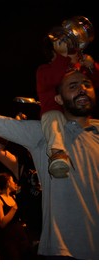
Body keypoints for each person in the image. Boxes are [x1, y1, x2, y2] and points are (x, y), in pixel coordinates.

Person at [0, 36, 99, 259]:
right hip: (63, 254)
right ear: (59, 99)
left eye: (87, 84)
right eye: (73, 85)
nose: (82, 88)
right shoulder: (43, 132)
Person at [36, 17, 99, 178]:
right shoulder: (45, 70)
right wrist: (62, 58)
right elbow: (56, 79)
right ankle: (58, 154)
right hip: (55, 114)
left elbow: (94, 84)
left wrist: (92, 67)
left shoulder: (78, 69)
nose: (74, 54)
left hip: (80, 119)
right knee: (52, 118)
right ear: (53, 54)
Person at [0, 114, 42, 252]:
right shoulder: (22, 165)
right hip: (34, 232)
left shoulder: (56, 158)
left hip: (58, 226)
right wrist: (13, 124)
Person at [0, 172, 33, 259]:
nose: (15, 183)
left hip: (21, 236)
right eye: (12, 181)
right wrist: (15, 206)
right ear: (8, 183)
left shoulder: (14, 197)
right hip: (8, 240)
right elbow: (2, 222)